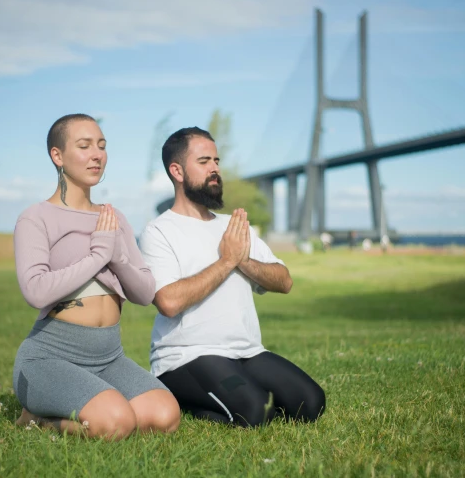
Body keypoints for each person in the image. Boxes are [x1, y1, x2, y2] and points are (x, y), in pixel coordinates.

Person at [139, 127, 326, 428]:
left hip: (247, 351)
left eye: (216, 160)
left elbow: (284, 281)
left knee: (311, 404)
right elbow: (169, 302)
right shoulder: (158, 232)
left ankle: (242, 391)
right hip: (186, 357)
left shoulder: (234, 227)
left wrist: (243, 261)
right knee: (254, 412)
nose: (215, 169)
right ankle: (178, 396)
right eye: (203, 161)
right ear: (177, 171)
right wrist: (227, 261)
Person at [11, 114, 180, 440]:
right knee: (116, 424)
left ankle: (99, 403)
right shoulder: (36, 218)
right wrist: (97, 256)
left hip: (108, 357)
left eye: (101, 146)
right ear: (57, 156)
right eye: (84, 145)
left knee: (165, 417)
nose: (97, 154)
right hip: (50, 357)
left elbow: (145, 293)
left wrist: (116, 254)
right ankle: (35, 417)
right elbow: (35, 291)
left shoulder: (113, 218)